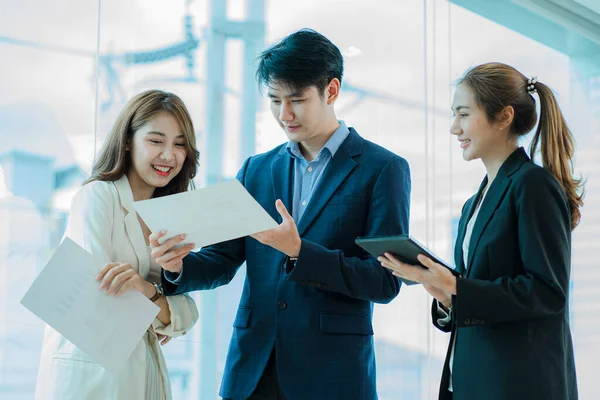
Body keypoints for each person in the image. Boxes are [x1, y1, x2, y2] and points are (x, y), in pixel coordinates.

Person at [150, 29, 411, 400]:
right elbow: (223, 260)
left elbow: (385, 282)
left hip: (331, 375)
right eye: (274, 100)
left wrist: (300, 253)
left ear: (331, 91)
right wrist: (177, 267)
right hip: (253, 370)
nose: (284, 114)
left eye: (297, 100)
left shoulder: (383, 169)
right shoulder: (256, 170)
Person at [379, 62, 583, 400]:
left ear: (503, 117)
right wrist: (444, 293)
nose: (453, 128)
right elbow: (478, 292)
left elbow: (548, 292)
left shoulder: (532, 185)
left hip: (517, 382)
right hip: (472, 378)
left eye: (462, 114)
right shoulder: (474, 202)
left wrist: (456, 286)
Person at [35, 90, 200, 400]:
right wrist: (162, 310)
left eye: (179, 144)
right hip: (90, 375)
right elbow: (102, 292)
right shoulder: (98, 196)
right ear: (128, 140)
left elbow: (190, 311)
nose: (169, 155)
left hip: (141, 372)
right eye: (156, 141)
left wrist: (145, 290)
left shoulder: (170, 215)